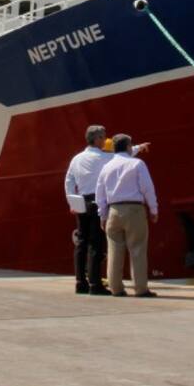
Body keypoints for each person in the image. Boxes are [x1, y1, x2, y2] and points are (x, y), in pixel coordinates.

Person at [95, 134, 159, 298]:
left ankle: (116, 288)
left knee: (114, 250)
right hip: (134, 209)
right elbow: (147, 188)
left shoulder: (106, 167)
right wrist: (153, 209)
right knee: (137, 248)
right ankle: (140, 288)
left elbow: (100, 194)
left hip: (113, 210)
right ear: (129, 147)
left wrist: (103, 215)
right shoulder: (137, 164)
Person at [64, 125, 113, 295]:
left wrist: (71, 200)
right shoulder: (104, 157)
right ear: (97, 139)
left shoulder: (76, 158)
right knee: (96, 242)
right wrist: (137, 148)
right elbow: (123, 158)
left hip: (81, 201)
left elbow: (69, 180)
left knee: (81, 242)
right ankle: (95, 283)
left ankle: (80, 282)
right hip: (97, 201)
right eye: (103, 137)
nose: (105, 140)